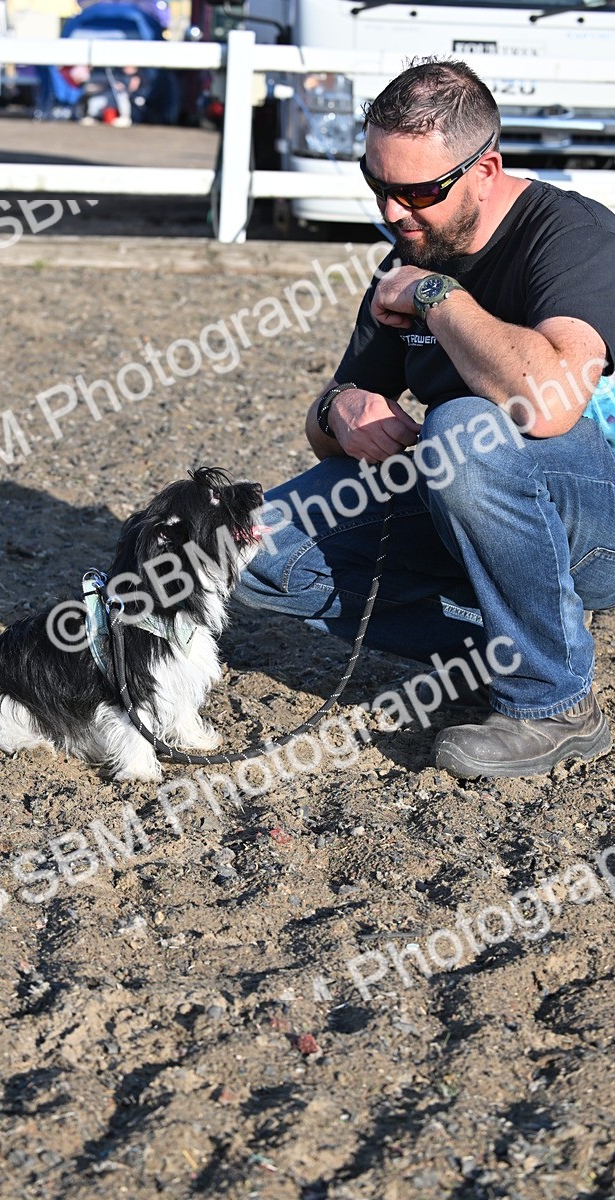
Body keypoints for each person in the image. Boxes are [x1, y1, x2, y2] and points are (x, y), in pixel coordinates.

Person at [236, 58, 615, 779]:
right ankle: (519, 642)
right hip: (475, 500)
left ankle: (554, 701)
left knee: (463, 428)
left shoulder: (572, 238)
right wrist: (341, 409)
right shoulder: (412, 250)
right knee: (250, 552)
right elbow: (327, 429)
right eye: (378, 185)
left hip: (601, 524)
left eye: (415, 191)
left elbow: (552, 399)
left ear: (486, 168)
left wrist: (440, 296)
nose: (390, 212)